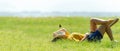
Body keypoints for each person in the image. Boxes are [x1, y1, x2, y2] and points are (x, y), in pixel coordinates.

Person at [51, 18, 119, 42]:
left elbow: (62, 29)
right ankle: (108, 29)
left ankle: (107, 26)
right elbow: (81, 44)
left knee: (92, 20)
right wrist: (86, 36)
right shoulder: (69, 39)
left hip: (90, 34)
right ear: (61, 38)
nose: (61, 33)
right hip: (91, 39)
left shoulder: (67, 35)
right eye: (60, 35)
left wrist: (55, 35)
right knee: (104, 25)